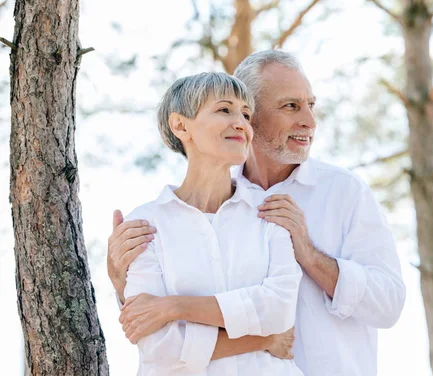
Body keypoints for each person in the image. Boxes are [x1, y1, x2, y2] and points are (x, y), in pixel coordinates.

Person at [110, 51, 406, 376]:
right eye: (291, 106)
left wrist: (309, 255)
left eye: (311, 105)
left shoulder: (344, 192)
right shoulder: (210, 209)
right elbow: (154, 334)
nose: (310, 121)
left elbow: (388, 304)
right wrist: (122, 283)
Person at [119, 72, 304, 375]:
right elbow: (158, 348)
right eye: (224, 110)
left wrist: (174, 306)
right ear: (180, 125)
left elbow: (280, 310)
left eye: (246, 114)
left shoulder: (271, 210)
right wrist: (262, 340)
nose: (242, 124)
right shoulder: (145, 223)